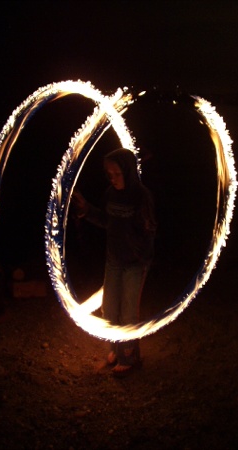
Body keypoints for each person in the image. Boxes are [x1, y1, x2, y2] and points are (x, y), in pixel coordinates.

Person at [72, 148, 156, 376]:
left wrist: (140, 257)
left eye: (117, 173)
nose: (112, 178)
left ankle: (129, 358)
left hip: (134, 263)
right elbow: (105, 220)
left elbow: (149, 231)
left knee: (128, 312)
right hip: (114, 261)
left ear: (127, 171)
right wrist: (86, 210)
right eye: (109, 174)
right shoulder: (110, 194)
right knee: (108, 310)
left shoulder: (140, 196)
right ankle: (115, 349)